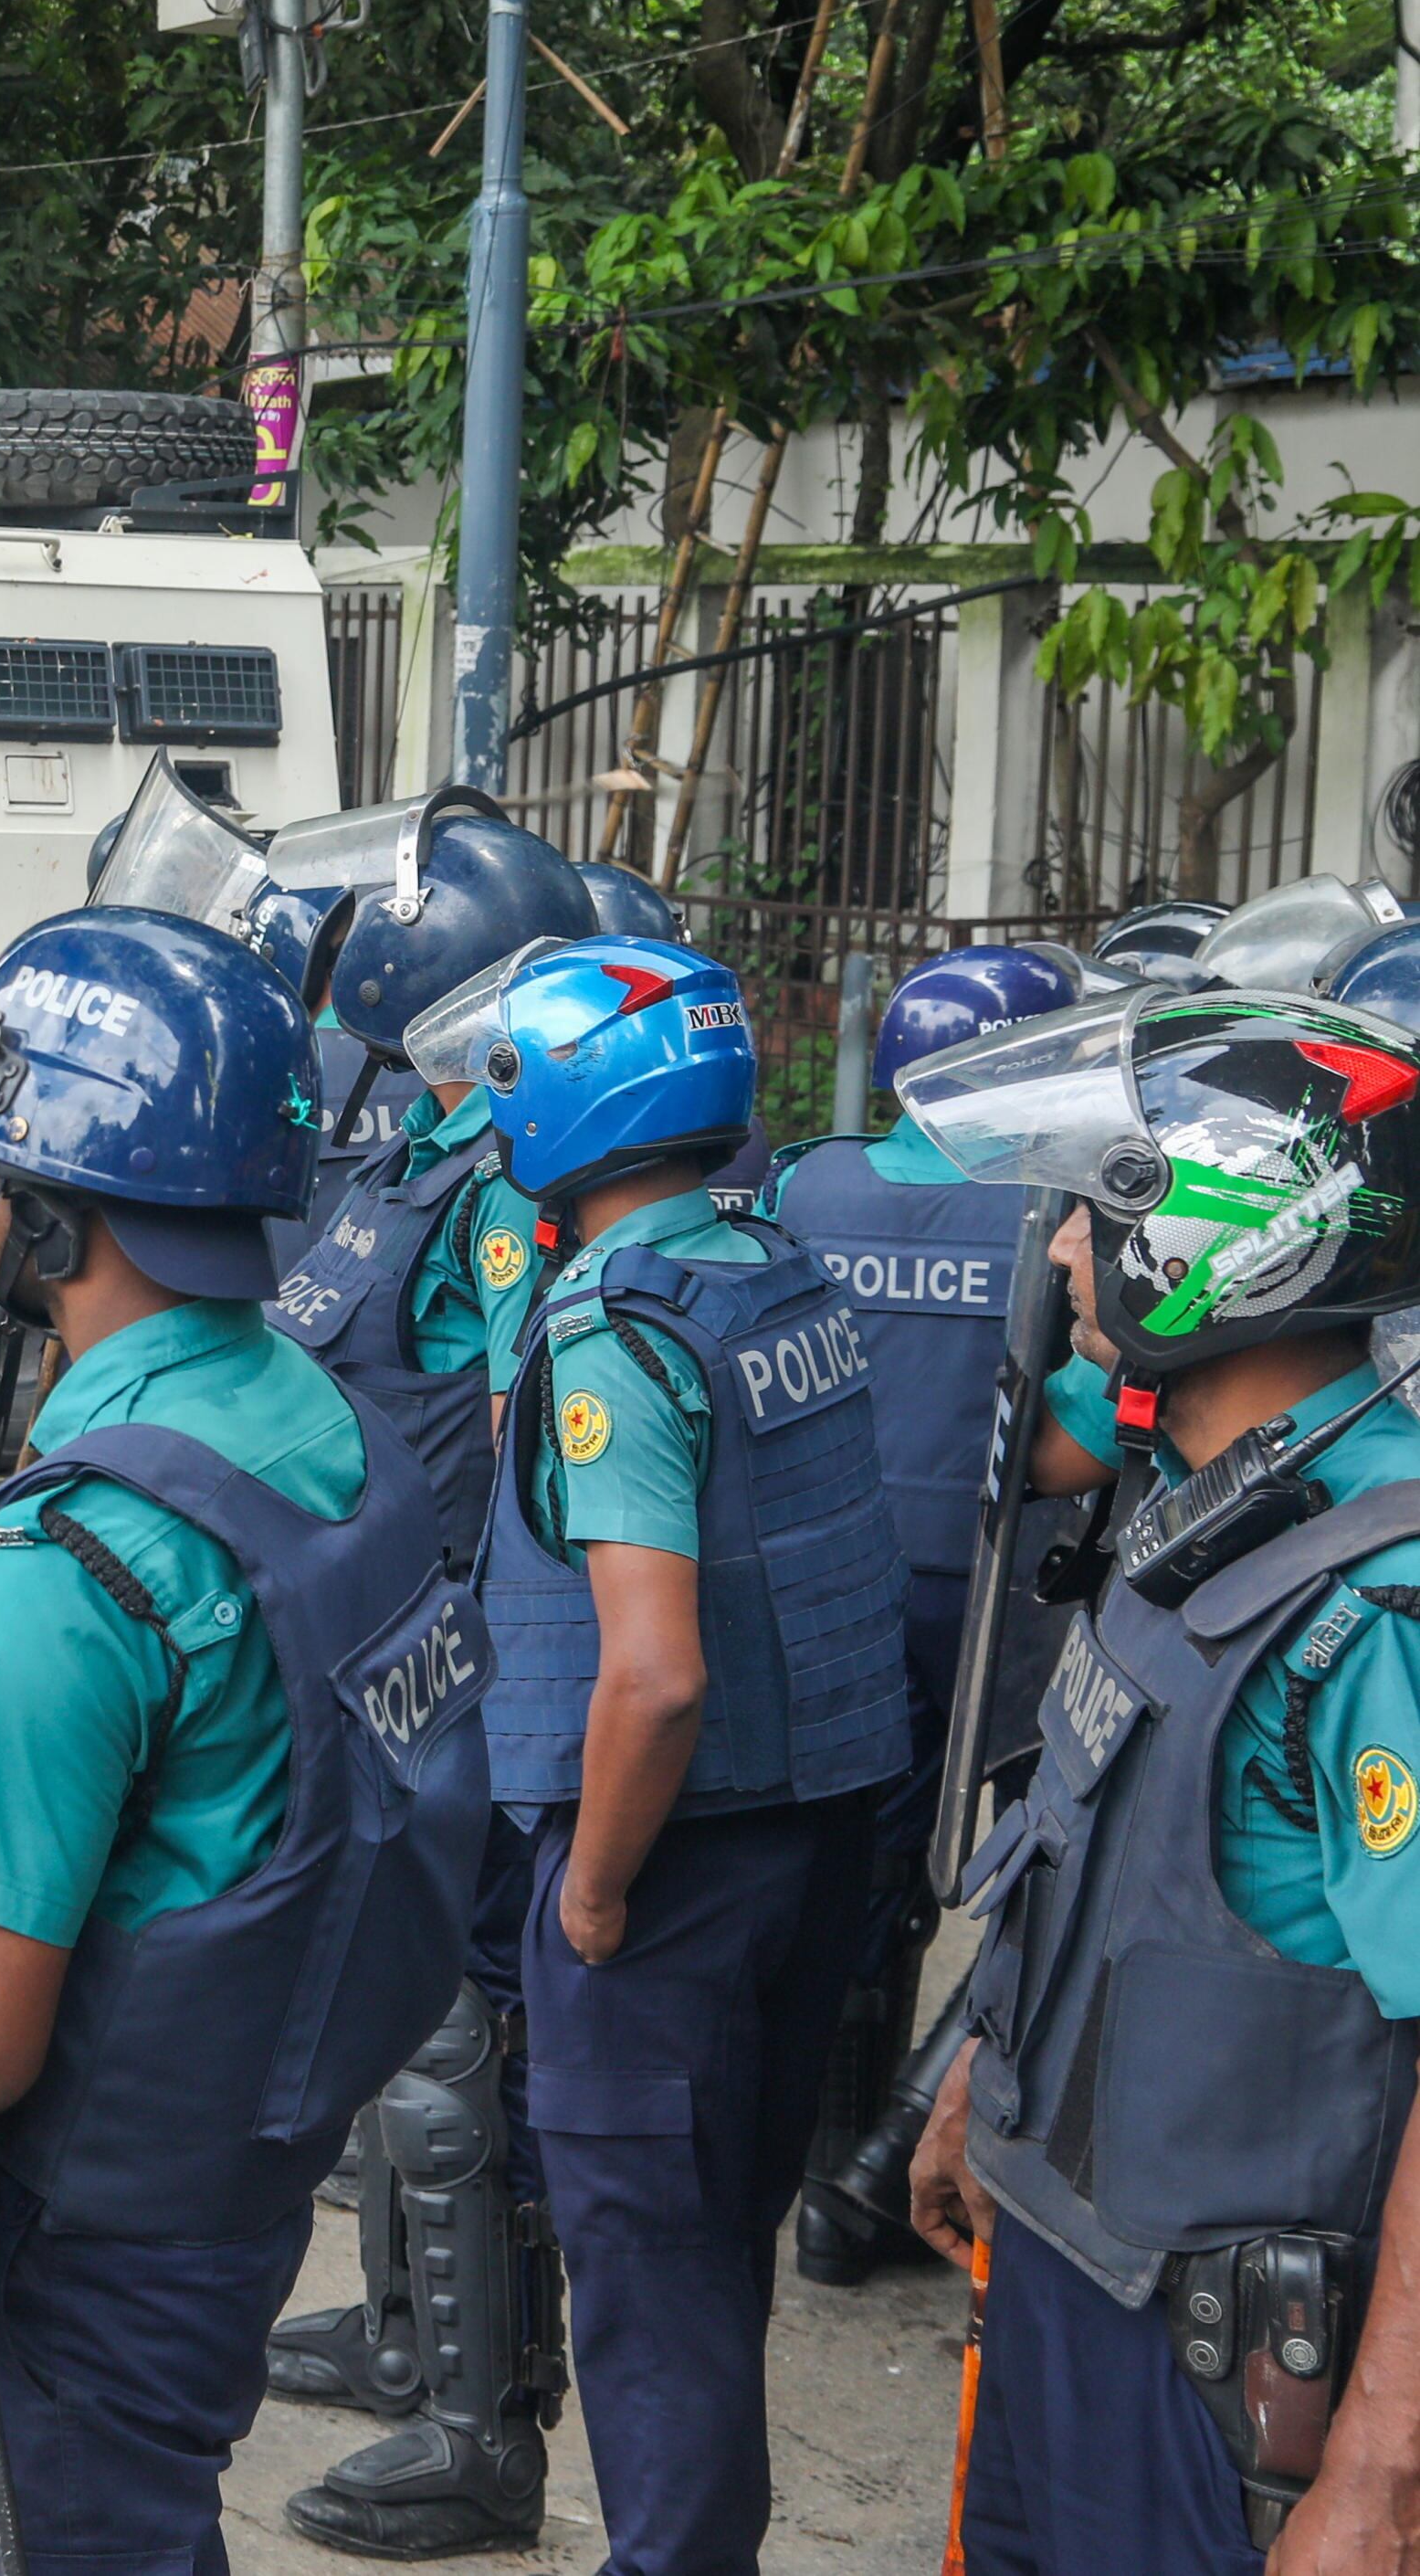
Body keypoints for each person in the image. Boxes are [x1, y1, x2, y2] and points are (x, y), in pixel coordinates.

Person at [0, 903, 490, 2572]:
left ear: (60, 1216)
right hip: (243, 2151)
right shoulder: (327, 1422)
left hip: (89, 2215)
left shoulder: (76, 1566)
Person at [896, 988, 1420, 2576]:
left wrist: (1380, 2481)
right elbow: (1104, 1849)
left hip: (1220, 2365)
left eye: (1098, 1204)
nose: (1062, 1249)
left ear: (1237, 1234)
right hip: (1071, 2259)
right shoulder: (1203, 1507)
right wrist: (990, 2082)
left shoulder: (1376, 1608)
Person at [473, 934, 911, 2576]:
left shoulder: (617, 1328)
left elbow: (652, 1676)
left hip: (665, 1865)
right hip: (808, 1844)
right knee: (717, 2243)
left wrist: (590, 1888)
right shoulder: (768, 1263)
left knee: (647, 2285)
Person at [258, 808, 595, 2553]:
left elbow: (525, 1443)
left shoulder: (509, 1188)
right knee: (389, 2010)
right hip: (370, 1635)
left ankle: (481, 2428)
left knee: (452, 2044)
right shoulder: (413, 1150)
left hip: (450, 1658)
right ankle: (402, 2333)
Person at [762, 942, 1090, 2289]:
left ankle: (826, 2152)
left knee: (849, 1859)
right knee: (1018, 1870)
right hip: (1001, 1598)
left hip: (829, 1584)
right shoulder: (1057, 1212)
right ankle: (883, 2168)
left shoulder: (808, 1181)